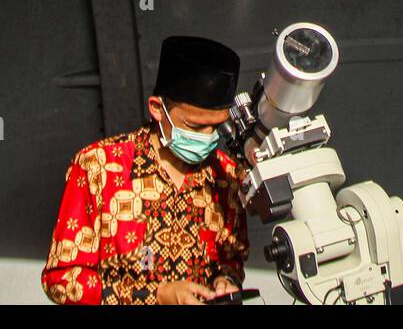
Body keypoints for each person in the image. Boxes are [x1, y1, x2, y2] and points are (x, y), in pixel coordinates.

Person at [41, 35, 250, 304]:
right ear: (157, 109)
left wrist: (226, 281)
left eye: (216, 128)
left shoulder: (228, 175)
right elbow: (61, 280)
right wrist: (155, 297)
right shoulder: (98, 168)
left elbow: (232, 258)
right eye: (195, 127)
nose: (207, 137)